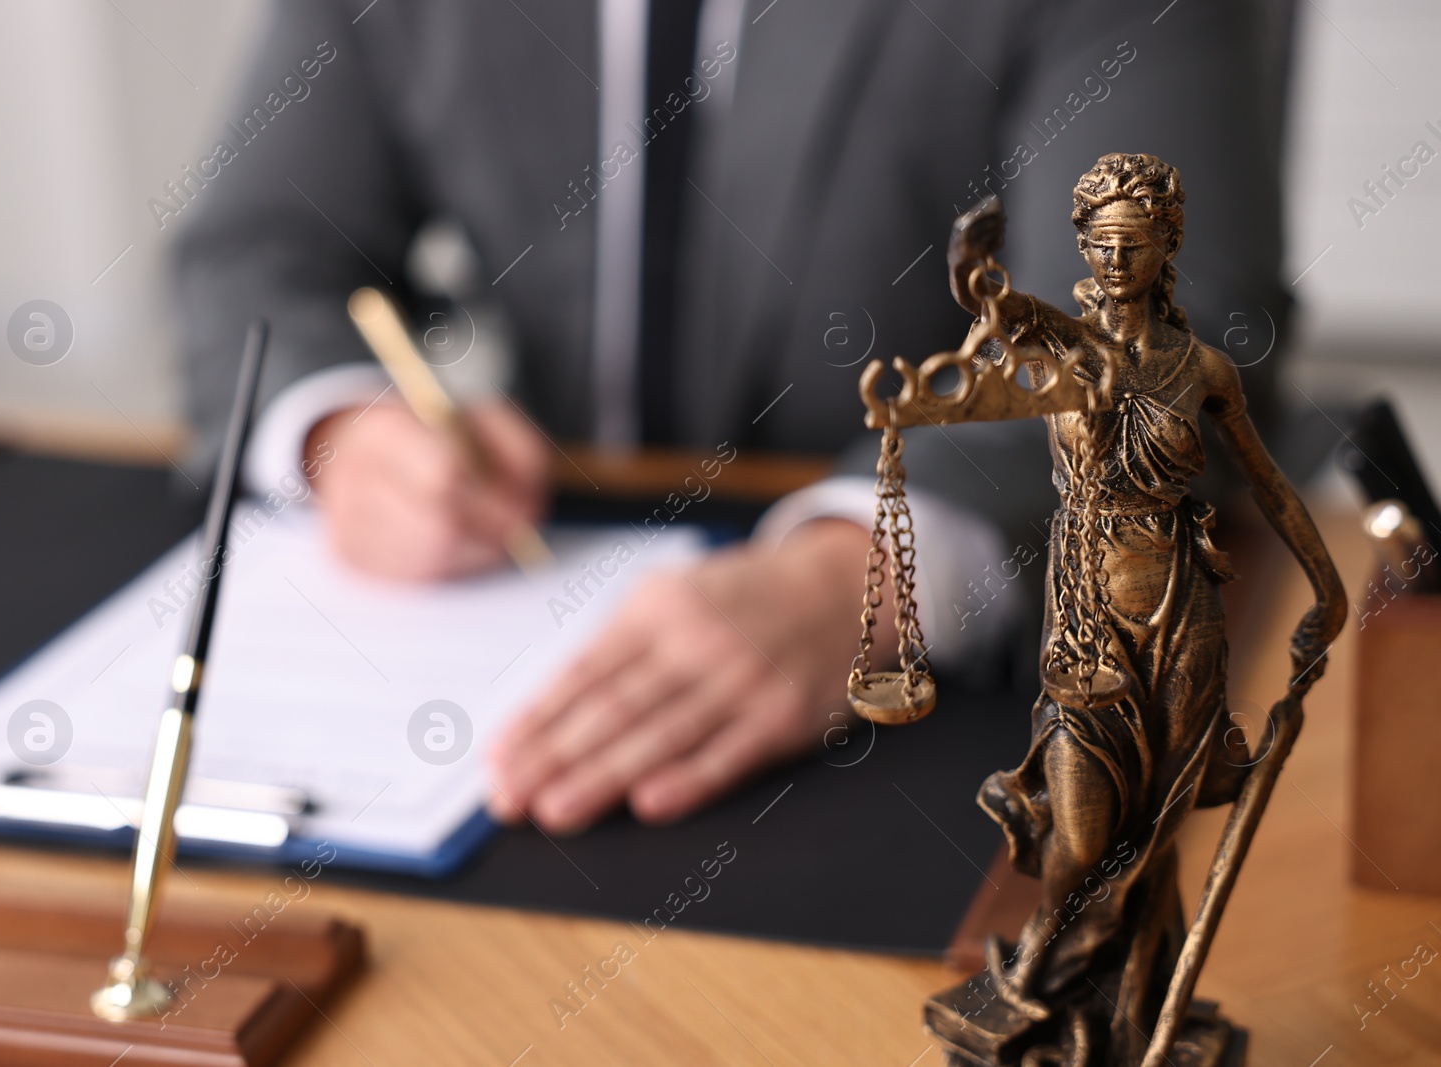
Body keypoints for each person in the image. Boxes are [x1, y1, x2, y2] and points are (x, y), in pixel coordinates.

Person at [172, 0, 1292, 835]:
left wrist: (869, 566)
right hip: (530, 593)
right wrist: (339, 431)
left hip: (963, 695)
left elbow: (1150, 344)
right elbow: (252, 251)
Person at [938, 155, 1343, 1059]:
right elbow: (989, 306)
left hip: (1183, 613)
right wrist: (977, 262)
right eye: (1101, 242)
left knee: (1159, 826)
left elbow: (1271, 489)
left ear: (1169, 245)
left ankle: (1128, 1006)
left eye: (1135, 242)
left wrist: (1329, 582)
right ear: (1082, 243)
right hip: (1086, 619)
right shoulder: (1057, 340)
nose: (1116, 258)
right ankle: (1035, 972)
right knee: (1084, 836)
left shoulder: (1202, 368)